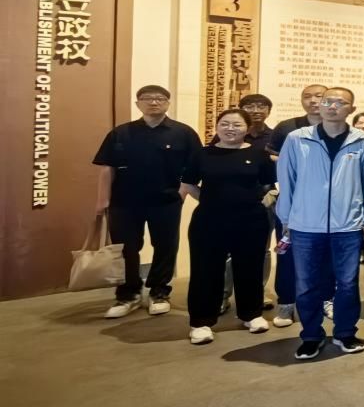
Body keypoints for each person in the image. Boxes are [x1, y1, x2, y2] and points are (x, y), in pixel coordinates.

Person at [276, 86, 364, 360]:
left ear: (351, 109)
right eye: (327, 101)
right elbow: (287, 180)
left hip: (348, 226)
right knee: (306, 284)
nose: (333, 107)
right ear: (319, 106)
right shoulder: (297, 139)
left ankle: (345, 333)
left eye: (340, 102)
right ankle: (311, 336)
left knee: (347, 283)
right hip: (305, 225)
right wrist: (286, 219)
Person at [93, 85, 202, 318]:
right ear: (138, 104)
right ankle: (128, 294)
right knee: (126, 249)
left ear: (168, 103)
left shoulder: (183, 133)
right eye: (147, 98)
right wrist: (103, 201)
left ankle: (159, 292)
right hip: (124, 202)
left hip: (166, 201)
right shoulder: (121, 133)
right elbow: (107, 168)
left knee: (165, 246)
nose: (154, 102)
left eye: (160, 98)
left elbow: (195, 167)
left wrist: (183, 192)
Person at [180, 109, 276, 344]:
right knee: (205, 270)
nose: (230, 128)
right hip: (209, 220)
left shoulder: (258, 155)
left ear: (247, 128)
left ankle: (251, 314)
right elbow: (188, 184)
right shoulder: (203, 154)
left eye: (236, 124)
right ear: (217, 126)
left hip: (251, 220)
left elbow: (268, 185)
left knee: (250, 268)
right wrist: (211, 200)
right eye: (225, 124)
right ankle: (201, 322)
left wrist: (257, 200)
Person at [266, 83, 327, 327]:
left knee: (326, 255)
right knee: (287, 252)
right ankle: (286, 302)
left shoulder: (337, 126)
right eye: (307, 96)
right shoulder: (287, 127)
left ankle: (325, 298)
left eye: (319, 96)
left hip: (328, 204)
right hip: (292, 201)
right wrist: (296, 161)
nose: (313, 100)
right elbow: (271, 155)